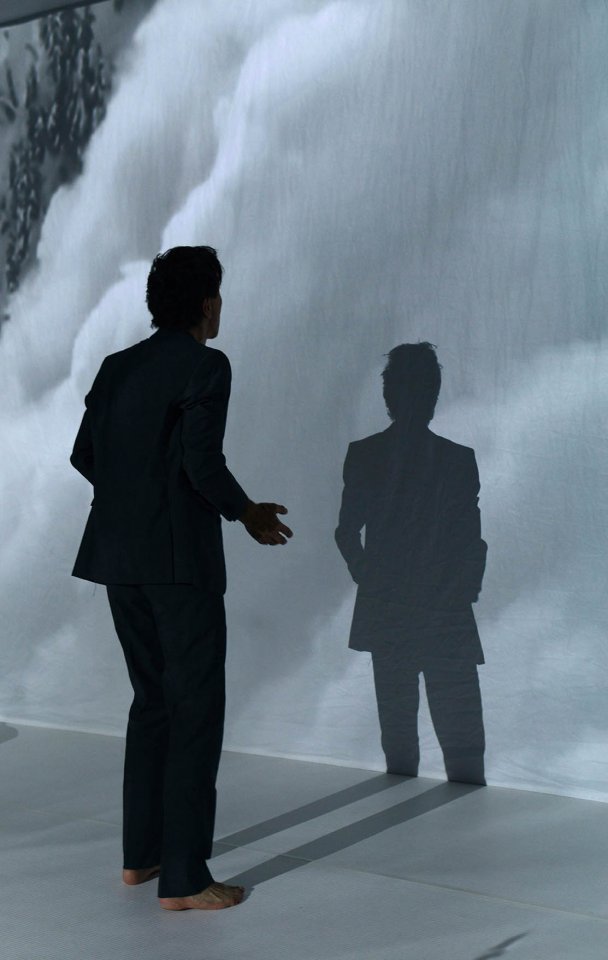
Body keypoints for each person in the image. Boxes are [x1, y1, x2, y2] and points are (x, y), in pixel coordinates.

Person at [69, 245, 293, 911]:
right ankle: (186, 879)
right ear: (208, 303)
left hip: (117, 559)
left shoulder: (116, 367)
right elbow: (202, 463)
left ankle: (141, 859)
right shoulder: (206, 365)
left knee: (151, 703)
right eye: (218, 298)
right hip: (177, 566)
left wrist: (136, 500)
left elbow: (84, 454)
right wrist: (247, 513)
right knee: (194, 710)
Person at [335, 342, 487, 784]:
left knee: (402, 736)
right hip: (443, 612)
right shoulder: (457, 460)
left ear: (389, 395)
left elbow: (347, 533)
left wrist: (372, 579)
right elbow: (471, 541)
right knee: (460, 739)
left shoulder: (366, 455)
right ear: (432, 393)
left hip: (394, 612)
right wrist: (460, 589)